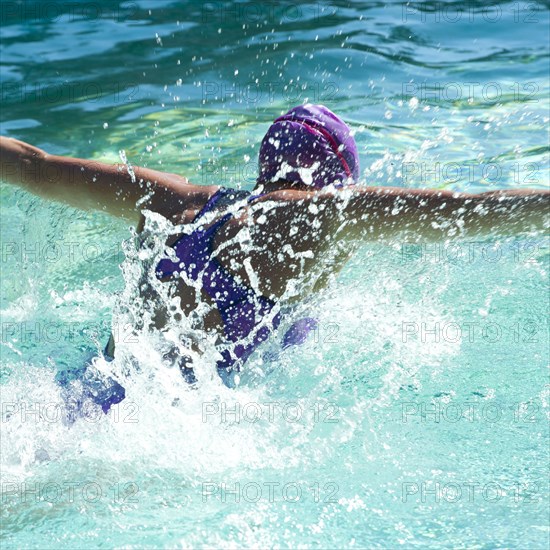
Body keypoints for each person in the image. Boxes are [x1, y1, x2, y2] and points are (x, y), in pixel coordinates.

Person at [1, 104, 548, 416]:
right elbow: (462, 211)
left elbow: (35, 165)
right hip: (142, 434)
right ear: (336, 180)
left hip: (67, 400)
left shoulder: (179, 201)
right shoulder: (321, 219)